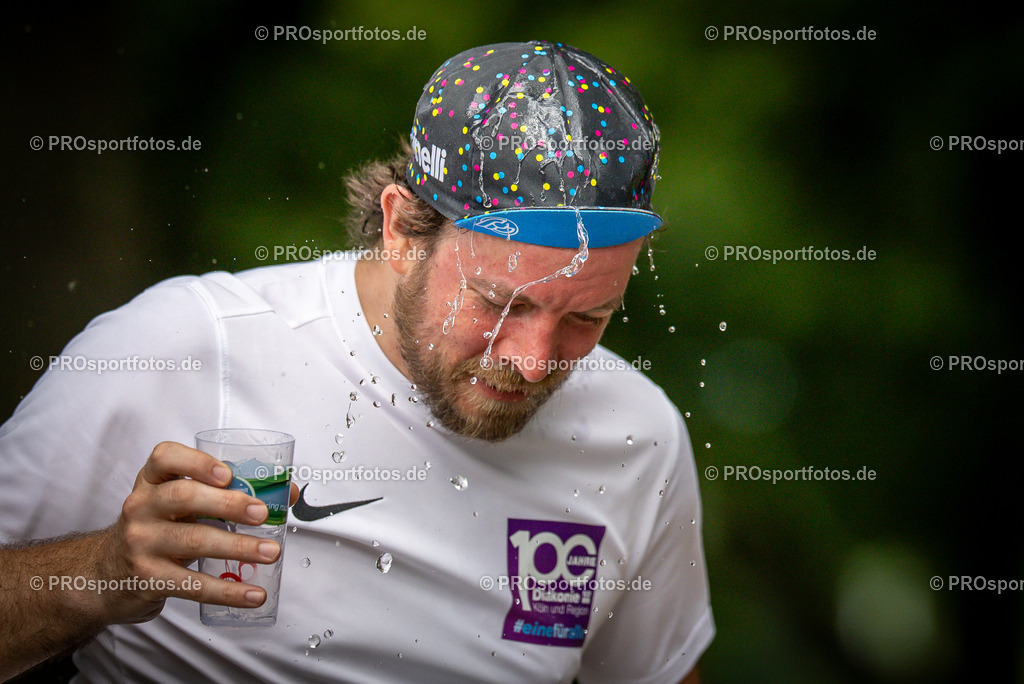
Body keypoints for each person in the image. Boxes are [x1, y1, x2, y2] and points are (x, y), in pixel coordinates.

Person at [0, 41, 714, 682]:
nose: (533, 363)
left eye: (587, 317)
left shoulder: (637, 436)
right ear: (402, 229)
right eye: (501, 304)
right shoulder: (186, 344)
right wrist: (99, 573)